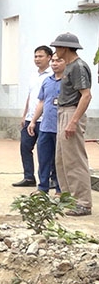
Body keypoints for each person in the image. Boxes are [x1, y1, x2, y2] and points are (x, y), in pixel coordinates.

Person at [51, 32, 92, 216]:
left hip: (71, 112)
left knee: (74, 159)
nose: (55, 50)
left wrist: (73, 121)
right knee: (62, 159)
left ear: (65, 48)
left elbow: (86, 95)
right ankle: (70, 199)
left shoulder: (78, 67)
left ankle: (83, 202)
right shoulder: (68, 67)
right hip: (63, 112)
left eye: (57, 47)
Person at [13, 46, 53, 187]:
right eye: (35, 56)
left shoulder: (53, 75)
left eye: (40, 56)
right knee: (25, 147)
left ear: (49, 57)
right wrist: (25, 115)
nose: (37, 59)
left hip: (45, 120)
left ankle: (51, 179)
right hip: (30, 118)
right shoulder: (33, 75)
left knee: (46, 151)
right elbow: (31, 96)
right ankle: (29, 177)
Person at [27, 53, 64, 195]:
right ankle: (42, 188)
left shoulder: (68, 82)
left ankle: (60, 190)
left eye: (58, 60)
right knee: (43, 159)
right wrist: (33, 121)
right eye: (53, 61)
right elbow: (41, 102)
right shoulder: (47, 81)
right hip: (45, 126)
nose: (54, 63)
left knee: (59, 161)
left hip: (60, 127)